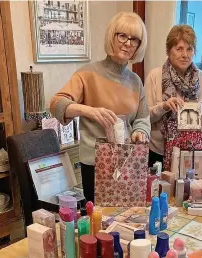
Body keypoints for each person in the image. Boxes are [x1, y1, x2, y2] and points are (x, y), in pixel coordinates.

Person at [50, 12, 150, 202]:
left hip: (128, 162)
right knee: (99, 222)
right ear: (112, 36)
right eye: (122, 36)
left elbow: (142, 118)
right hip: (95, 164)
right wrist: (89, 110)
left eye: (134, 39)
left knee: (125, 218)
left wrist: (140, 131)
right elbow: (57, 104)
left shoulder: (135, 81)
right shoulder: (87, 74)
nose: (128, 43)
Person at [145, 24, 202, 171]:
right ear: (168, 51)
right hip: (159, 151)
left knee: (188, 193)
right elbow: (144, 117)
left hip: (191, 151)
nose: (185, 54)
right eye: (179, 49)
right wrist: (164, 106)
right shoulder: (155, 76)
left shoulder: (200, 77)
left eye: (189, 49)